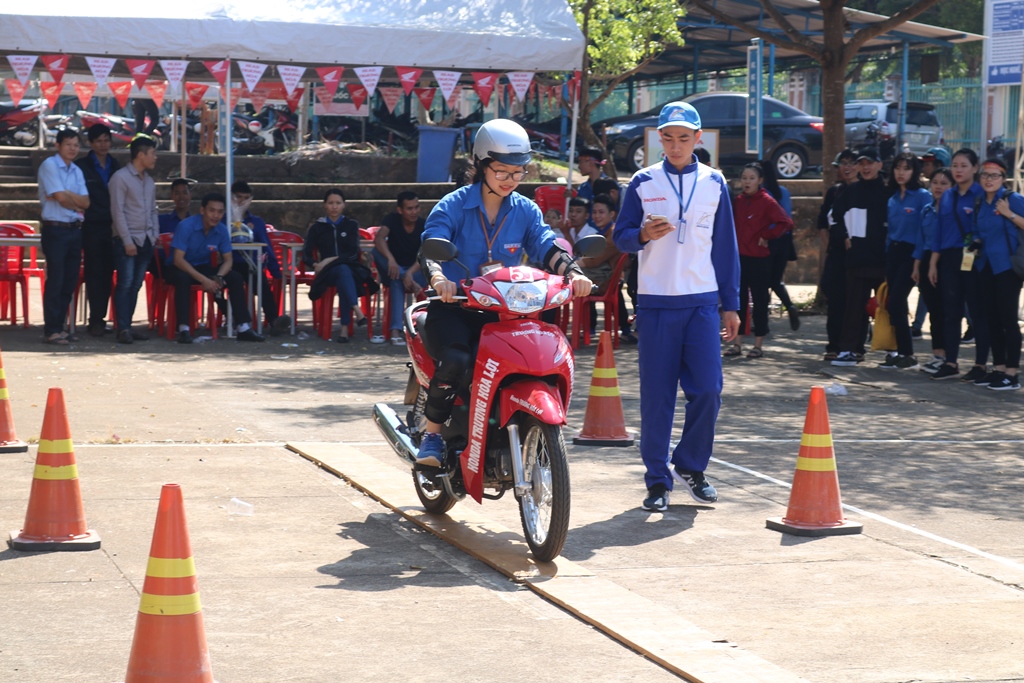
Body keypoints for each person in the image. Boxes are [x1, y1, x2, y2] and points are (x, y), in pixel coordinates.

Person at [414, 119, 592, 467]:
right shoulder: (453, 205)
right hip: (455, 307)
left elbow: (545, 244)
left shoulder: (525, 209)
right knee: (457, 360)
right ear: (481, 165)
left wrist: (573, 271)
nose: (510, 179)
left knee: (535, 358)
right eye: (502, 171)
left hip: (505, 311)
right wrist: (439, 281)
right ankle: (432, 435)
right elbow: (431, 248)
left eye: (518, 172)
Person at [612, 101, 740, 511]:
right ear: (659, 139)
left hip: (702, 303)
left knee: (708, 390)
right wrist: (643, 234)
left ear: (698, 139)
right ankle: (656, 480)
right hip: (655, 304)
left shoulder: (715, 183)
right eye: (667, 137)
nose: (675, 145)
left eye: (684, 138)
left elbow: (726, 250)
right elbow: (621, 237)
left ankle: (690, 465)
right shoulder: (642, 181)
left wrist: (731, 305)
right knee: (657, 397)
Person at [166, 193, 264, 344]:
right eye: (212, 211)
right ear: (202, 210)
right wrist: (204, 280)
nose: (215, 215)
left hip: (203, 266)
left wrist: (218, 277)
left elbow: (228, 260)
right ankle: (184, 328)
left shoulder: (222, 229)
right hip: (179, 267)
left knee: (235, 277)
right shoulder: (186, 226)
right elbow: (178, 260)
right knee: (182, 278)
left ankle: (243, 327)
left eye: (220, 212)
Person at [927, 149, 987, 381]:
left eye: (963, 166)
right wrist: (933, 264)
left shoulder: (982, 193)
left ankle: (980, 365)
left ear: (974, 167)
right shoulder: (948, 196)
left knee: (977, 312)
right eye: (955, 165)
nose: (958, 170)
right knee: (951, 313)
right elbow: (939, 233)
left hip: (975, 257)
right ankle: (950, 362)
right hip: (950, 258)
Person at [723, 162, 793, 360]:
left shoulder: (767, 201)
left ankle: (758, 344)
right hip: (739, 258)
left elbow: (786, 222)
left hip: (759, 259)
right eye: (744, 178)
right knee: (739, 301)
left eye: (751, 178)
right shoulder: (737, 201)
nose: (747, 182)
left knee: (760, 301)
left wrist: (767, 235)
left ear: (760, 180)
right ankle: (737, 343)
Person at [831, 148, 889, 367]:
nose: (865, 167)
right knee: (853, 307)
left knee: (887, 306)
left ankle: (892, 350)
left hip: (883, 260)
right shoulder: (850, 191)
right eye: (861, 163)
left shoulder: (888, 191)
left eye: (870, 163)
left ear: (879, 165)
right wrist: (844, 237)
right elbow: (833, 217)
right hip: (856, 259)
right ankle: (848, 350)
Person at [972, 158, 1024, 390]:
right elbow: (980, 232)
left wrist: (1009, 214)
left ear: (1003, 179)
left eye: (994, 175)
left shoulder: (1012, 200)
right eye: (985, 175)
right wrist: (974, 243)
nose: (989, 179)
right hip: (986, 266)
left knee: (1008, 320)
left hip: (1008, 268)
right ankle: (999, 368)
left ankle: (1012, 374)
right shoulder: (980, 202)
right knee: (991, 319)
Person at [878, 152, 931, 369]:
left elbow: (924, 231)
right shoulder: (891, 198)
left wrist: (918, 261)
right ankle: (897, 351)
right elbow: (889, 231)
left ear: (914, 172)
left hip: (913, 253)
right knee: (892, 303)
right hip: (894, 253)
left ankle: (908, 353)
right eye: (898, 167)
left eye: (906, 168)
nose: (901, 172)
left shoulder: (922, 196)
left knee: (898, 300)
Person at [37, 128, 90, 345]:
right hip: (55, 229)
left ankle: (60, 327)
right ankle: (51, 330)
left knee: (69, 281)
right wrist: (70, 197)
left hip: (74, 229)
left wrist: (68, 196)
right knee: (56, 280)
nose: (73, 149)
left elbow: (86, 202)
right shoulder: (49, 165)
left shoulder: (76, 170)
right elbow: (60, 197)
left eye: (76, 145)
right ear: (58, 145)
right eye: (68, 144)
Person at [108, 135, 159, 344]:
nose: (155, 157)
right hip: (126, 239)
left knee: (136, 284)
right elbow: (117, 211)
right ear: (141, 154)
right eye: (152, 153)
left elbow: (153, 210)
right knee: (125, 283)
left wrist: (154, 235)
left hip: (146, 238)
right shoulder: (120, 178)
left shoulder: (149, 181)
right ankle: (123, 327)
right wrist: (127, 240)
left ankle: (127, 325)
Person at [302, 188, 370, 343]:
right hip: (327, 273)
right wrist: (315, 264)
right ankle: (354, 315)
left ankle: (345, 328)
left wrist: (328, 260)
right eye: (331, 203)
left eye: (338, 203)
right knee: (342, 272)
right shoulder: (317, 227)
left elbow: (353, 253)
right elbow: (306, 253)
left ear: (344, 205)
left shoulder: (351, 225)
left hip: (351, 269)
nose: (334, 206)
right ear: (324, 205)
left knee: (344, 273)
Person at [75, 124, 121, 337]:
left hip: (114, 227)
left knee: (109, 274)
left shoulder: (116, 166)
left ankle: (104, 318)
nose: (103, 145)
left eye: (106, 140)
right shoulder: (81, 167)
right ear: (91, 143)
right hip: (91, 227)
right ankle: (95, 320)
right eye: (99, 141)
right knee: (94, 274)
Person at [229, 182, 291, 335]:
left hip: (250, 264)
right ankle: (236, 319)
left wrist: (276, 271)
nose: (241, 202)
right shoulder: (222, 219)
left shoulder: (256, 222)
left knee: (261, 282)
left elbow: (266, 247)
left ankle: (274, 320)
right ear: (231, 197)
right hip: (228, 264)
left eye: (246, 198)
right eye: (238, 197)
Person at [577, 194, 636, 343]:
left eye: (601, 212)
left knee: (580, 283)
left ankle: (588, 328)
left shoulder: (614, 233)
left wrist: (572, 265)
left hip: (608, 280)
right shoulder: (602, 232)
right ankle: (590, 327)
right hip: (608, 277)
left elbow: (595, 259)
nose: (597, 216)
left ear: (611, 214)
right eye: (594, 212)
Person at [911, 168, 953, 375]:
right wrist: (917, 266)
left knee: (949, 311)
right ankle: (938, 354)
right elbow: (920, 240)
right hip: (928, 259)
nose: (938, 186)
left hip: (948, 260)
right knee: (934, 309)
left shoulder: (954, 210)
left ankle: (949, 356)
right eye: (935, 182)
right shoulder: (927, 210)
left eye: (944, 183)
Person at [818, 149, 859, 360]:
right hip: (836, 255)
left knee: (856, 302)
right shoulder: (834, 192)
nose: (847, 167)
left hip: (859, 255)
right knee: (835, 301)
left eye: (852, 162)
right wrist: (829, 247)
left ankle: (856, 345)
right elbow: (823, 223)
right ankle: (833, 345)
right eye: (843, 163)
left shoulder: (865, 191)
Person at [372, 190, 426, 345]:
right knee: (378, 253)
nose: (414, 211)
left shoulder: (423, 224)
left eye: (416, 207)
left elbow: (425, 253)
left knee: (397, 281)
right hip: (394, 268)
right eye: (409, 208)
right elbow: (379, 238)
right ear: (400, 210)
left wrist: (409, 273)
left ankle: (395, 331)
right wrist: (391, 260)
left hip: (415, 272)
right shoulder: (392, 220)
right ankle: (396, 331)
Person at [758, 158, 800, 331]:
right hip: (785, 239)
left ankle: (762, 320)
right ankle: (789, 306)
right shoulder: (784, 192)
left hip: (769, 239)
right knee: (776, 280)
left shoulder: (763, 195)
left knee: (762, 281)